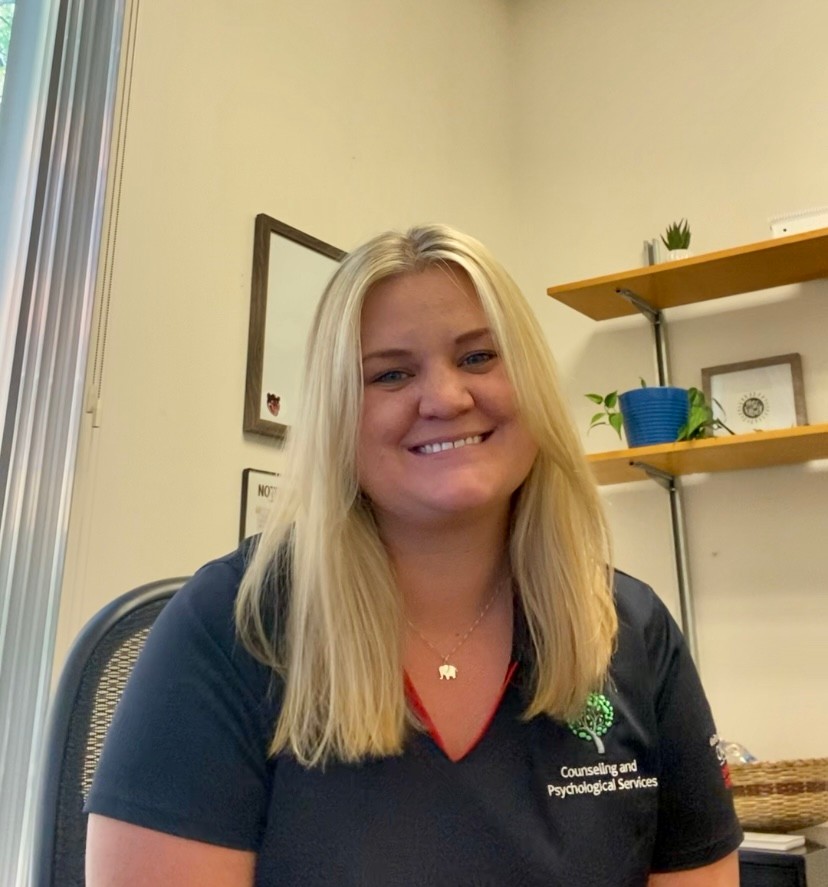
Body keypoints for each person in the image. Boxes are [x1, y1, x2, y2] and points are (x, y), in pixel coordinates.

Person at [85, 224, 742, 886]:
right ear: (337, 414)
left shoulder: (632, 630)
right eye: (391, 373)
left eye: (480, 357)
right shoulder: (233, 624)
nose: (447, 398)